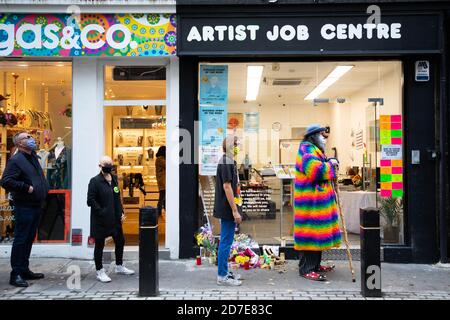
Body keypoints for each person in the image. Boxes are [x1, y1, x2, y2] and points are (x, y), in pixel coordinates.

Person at [1, 132, 49, 287]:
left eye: (31, 137)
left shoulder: (32, 156)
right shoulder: (16, 160)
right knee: (21, 239)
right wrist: (26, 188)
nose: (31, 139)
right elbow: (6, 181)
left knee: (28, 239)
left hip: (36, 205)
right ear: (20, 143)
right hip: (24, 206)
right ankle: (15, 274)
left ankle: (24, 269)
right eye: (27, 137)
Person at [294, 124, 341, 281]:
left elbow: (321, 167)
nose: (324, 138)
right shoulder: (306, 150)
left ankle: (315, 265)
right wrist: (330, 165)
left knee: (318, 234)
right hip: (309, 203)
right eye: (321, 135)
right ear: (313, 136)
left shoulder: (315, 150)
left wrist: (329, 162)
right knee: (310, 234)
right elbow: (315, 171)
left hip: (317, 203)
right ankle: (306, 269)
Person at [87, 156, 135, 283]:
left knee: (120, 241)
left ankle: (119, 266)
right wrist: (102, 211)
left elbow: (117, 197)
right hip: (101, 220)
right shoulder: (95, 181)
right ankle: (100, 271)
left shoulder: (114, 179)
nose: (107, 165)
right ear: (100, 165)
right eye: (105, 163)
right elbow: (90, 200)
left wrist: (121, 213)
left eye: (109, 163)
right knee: (100, 245)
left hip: (115, 219)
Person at [214, 135, 243, 286]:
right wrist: (234, 211)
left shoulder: (230, 161)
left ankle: (224, 271)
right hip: (227, 208)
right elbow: (227, 186)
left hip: (229, 207)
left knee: (227, 240)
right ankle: (222, 276)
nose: (239, 146)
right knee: (226, 241)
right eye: (237, 144)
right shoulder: (226, 162)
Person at [155, 146, 166, 217]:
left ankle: (161, 211)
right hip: (162, 180)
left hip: (163, 180)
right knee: (162, 196)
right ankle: (158, 211)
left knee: (163, 196)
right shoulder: (160, 159)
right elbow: (167, 165)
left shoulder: (160, 159)